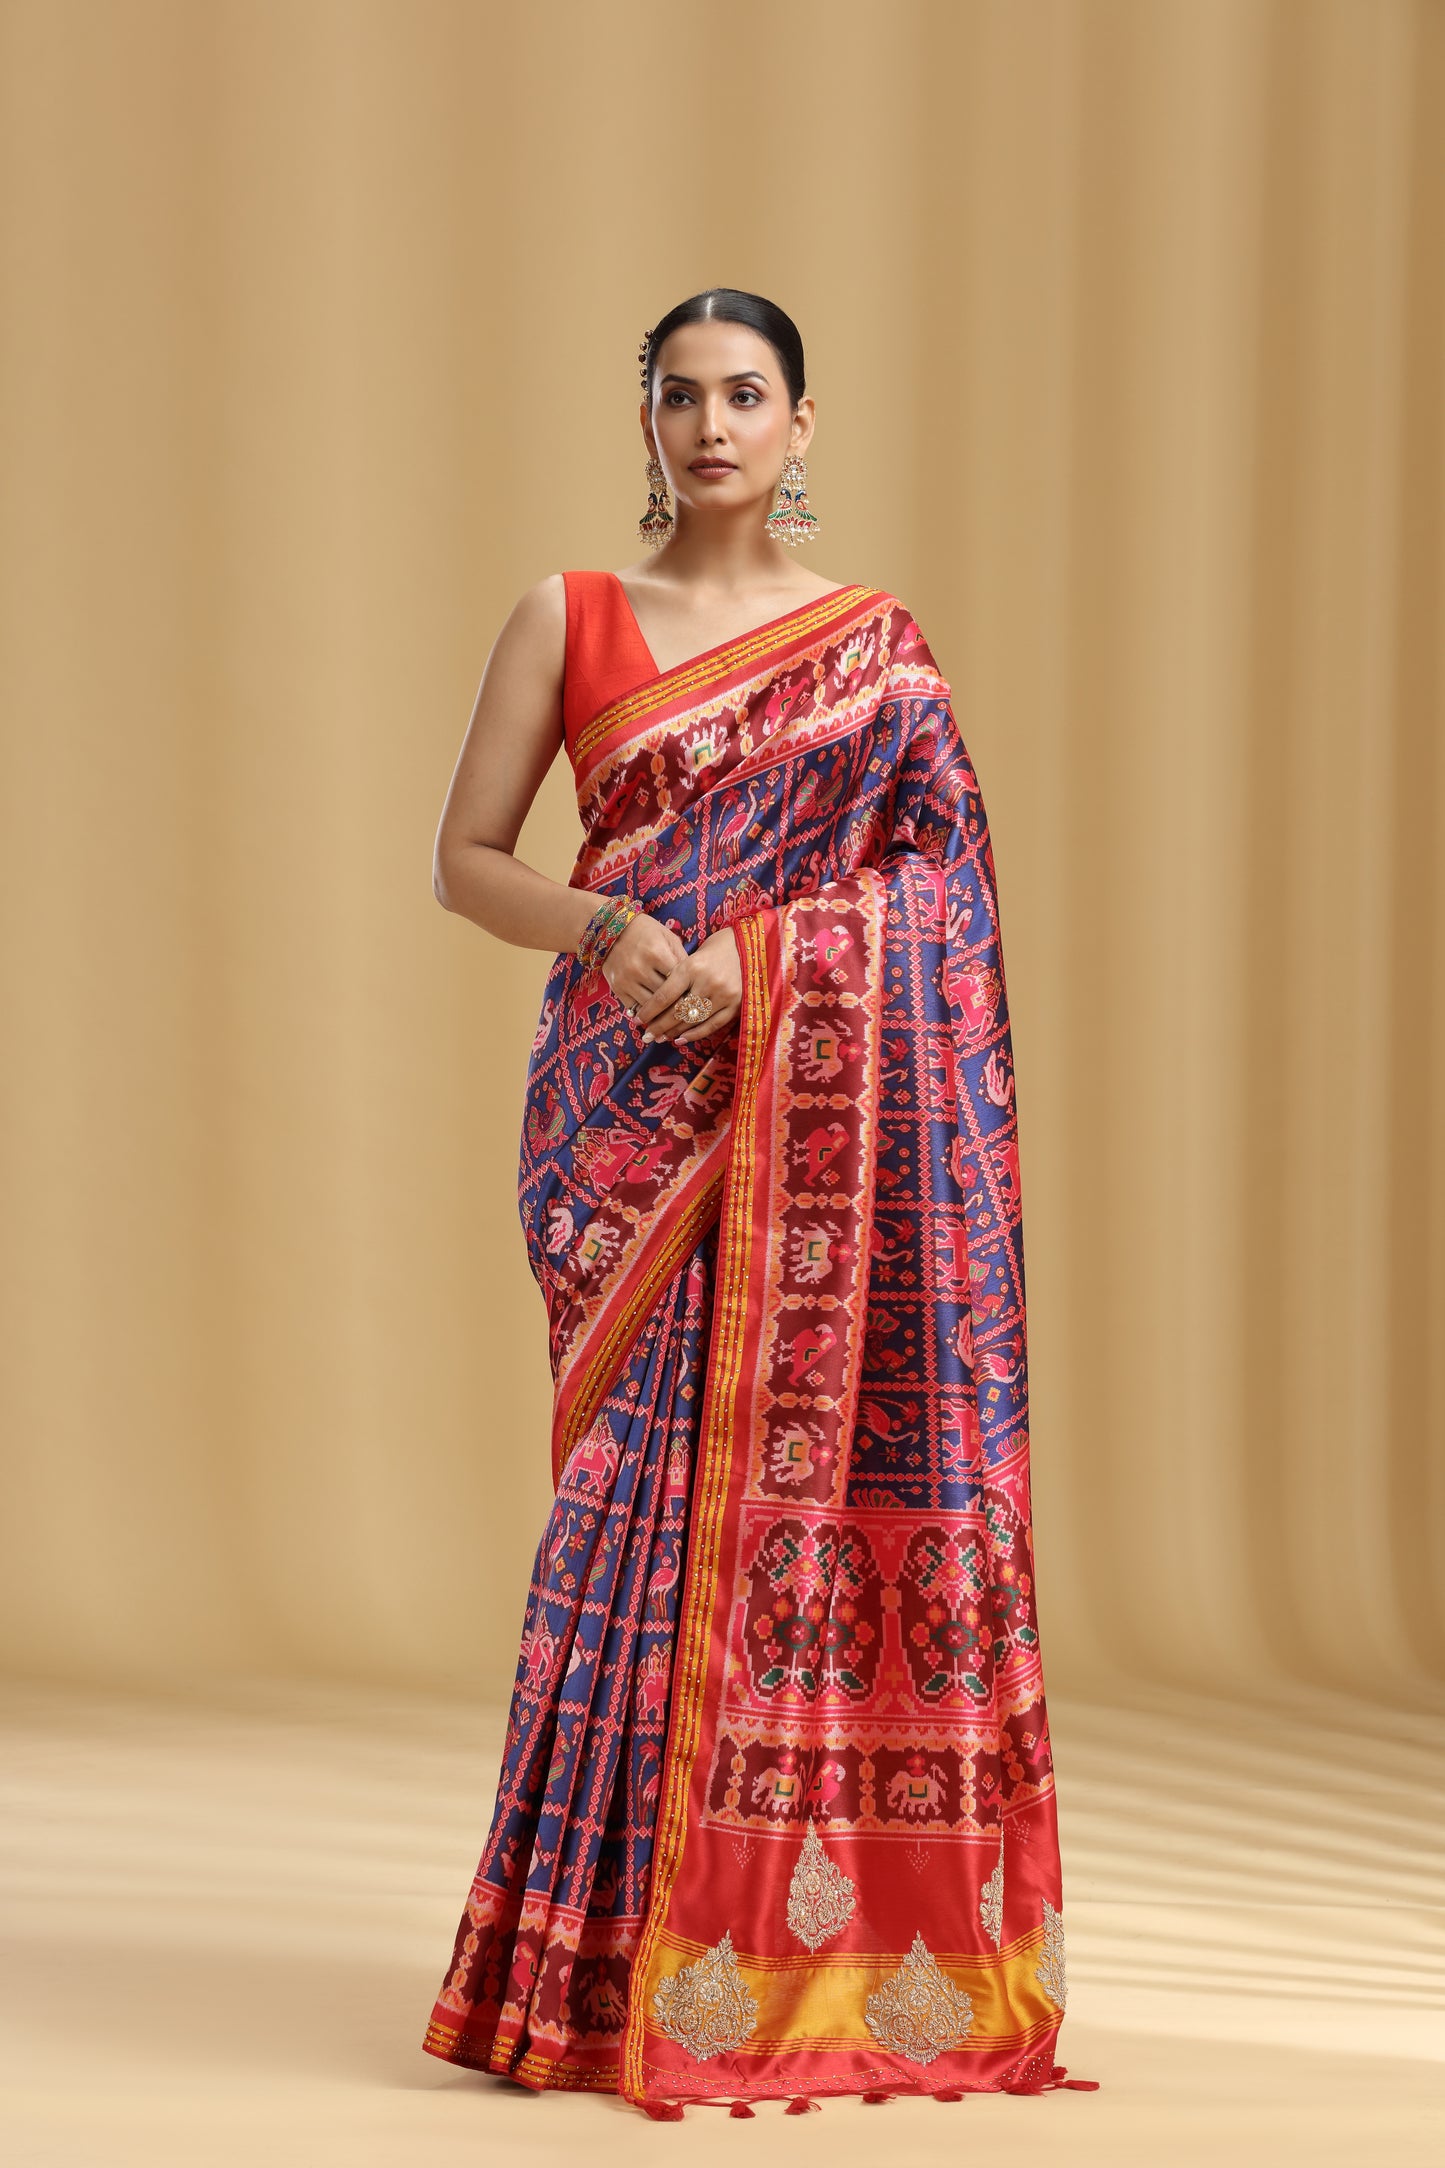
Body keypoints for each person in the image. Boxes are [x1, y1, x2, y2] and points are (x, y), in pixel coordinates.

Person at [420, 288, 1092, 2119]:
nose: (711, 427)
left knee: (753, 1515)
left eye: (745, 396)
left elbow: (940, 903)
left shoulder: (873, 650)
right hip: (620, 1116)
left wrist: (770, 960)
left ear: (803, 425)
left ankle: (778, 1970)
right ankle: (570, 1967)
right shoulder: (567, 619)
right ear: (640, 423)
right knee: (622, 1518)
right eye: (679, 398)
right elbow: (467, 863)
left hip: (812, 1110)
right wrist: (614, 930)